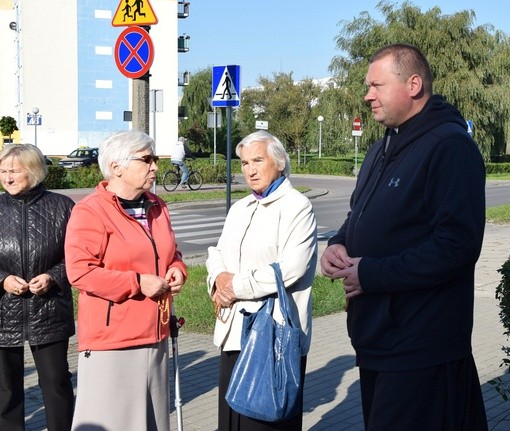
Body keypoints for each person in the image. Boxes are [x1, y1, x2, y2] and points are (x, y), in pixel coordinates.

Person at [320, 43, 488, 430]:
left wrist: (371, 274)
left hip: (421, 346)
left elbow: (457, 246)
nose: (367, 95)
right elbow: (359, 216)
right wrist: (338, 245)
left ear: (413, 84)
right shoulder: (382, 147)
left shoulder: (449, 147)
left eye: (377, 85)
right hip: (378, 339)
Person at [65, 130, 187, 431]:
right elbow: (80, 271)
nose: (155, 167)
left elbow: (171, 252)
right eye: (147, 160)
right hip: (114, 339)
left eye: (155, 159)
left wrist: (178, 269)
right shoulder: (90, 211)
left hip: (156, 333)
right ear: (116, 167)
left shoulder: (158, 205)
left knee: (151, 421)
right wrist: (137, 282)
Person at [207, 131, 317, 431]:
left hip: (273, 336)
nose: (250, 169)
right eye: (244, 162)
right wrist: (218, 278)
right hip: (233, 333)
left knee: (264, 421)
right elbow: (216, 251)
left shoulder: (296, 207)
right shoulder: (240, 208)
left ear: (279, 162)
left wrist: (235, 287)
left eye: (258, 160)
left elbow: (291, 268)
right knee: (232, 420)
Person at [0, 144, 75, 431]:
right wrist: (3, 279)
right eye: (3, 171)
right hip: (3, 312)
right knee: (6, 389)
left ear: (34, 172)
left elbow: (79, 256)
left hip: (50, 309)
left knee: (56, 382)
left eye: (14, 171)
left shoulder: (62, 207)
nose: (7, 178)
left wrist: (53, 276)